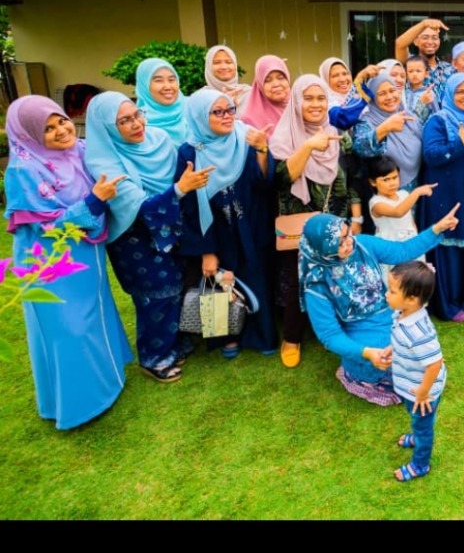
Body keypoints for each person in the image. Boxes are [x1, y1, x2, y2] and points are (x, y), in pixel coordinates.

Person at [3, 96, 133, 428]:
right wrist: (95, 200)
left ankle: (108, 381)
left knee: (94, 315)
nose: (61, 130)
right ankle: (80, 404)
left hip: (86, 254)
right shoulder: (22, 170)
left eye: (61, 120)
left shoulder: (80, 150)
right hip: (49, 262)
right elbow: (48, 226)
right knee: (68, 329)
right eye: (47, 129)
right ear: (30, 135)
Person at [84, 92, 212, 381]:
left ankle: (175, 343)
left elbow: (181, 168)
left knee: (176, 287)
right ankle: (154, 358)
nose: (136, 124)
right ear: (107, 127)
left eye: (137, 115)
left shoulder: (158, 139)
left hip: (170, 225)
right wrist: (179, 189)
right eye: (124, 121)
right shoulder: (104, 160)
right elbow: (137, 206)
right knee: (154, 296)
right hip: (134, 236)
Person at [298, 204, 461, 404]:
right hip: (360, 331)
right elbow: (330, 336)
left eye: (348, 233)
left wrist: (436, 229)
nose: (349, 243)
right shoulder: (316, 284)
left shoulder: (363, 244)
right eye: (340, 243)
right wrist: (367, 353)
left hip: (390, 314)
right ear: (323, 248)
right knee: (391, 357)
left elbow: (402, 251)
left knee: (416, 341)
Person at [177, 87, 278, 356]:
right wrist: (206, 251)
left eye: (229, 110)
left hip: (251, 223)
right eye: (217, 112)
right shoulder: (189, 153)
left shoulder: (246, 137)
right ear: (200, 116)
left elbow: (264, 182)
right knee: (220, 279)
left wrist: (262, 149)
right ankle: (226, 338)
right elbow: (189, 207)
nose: (226, 116)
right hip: (215, 229)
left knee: (256, 275)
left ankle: (263, 336)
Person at [271, 75, 359, 369]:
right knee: (298, 281)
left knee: (337, 276)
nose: (316, 104)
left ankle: (335, 329)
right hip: (300, 226)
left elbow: (352, 178)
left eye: (321, 98)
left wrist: (356, 217)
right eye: (308, 98)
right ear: (296, 102)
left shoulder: (339, 136)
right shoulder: (284, 136)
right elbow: (282, 178)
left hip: (336, 219)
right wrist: (308, 146)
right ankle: (292, 338)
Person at [421, 73, 464, 320]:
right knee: (445, 241)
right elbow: (431, 155)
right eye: (460, 91)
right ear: (449, 94)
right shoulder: (438, 121)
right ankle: (446, 303)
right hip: (443, 193)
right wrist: (460, 142)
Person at [384, 259, 447, 482]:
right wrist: (392, 349)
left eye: (392, 291)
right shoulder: (402, 313)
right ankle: (416, 434)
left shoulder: (418, 333)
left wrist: (422, 392)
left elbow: (435, 363)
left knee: (424, 427)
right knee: (418, 420)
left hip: (422, 393)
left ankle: (420, 465)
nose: (386, 294)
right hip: (412, 385)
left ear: (411, 299)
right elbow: (400, 338)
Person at [353, 73, 424, 198]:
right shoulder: (366, 121)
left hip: (419, 186)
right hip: (388, 196)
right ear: (373, 97)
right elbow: (359, 149)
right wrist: (385, 128)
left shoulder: (408, 116)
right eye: (382, 94)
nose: (389, 97)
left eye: (392, 91)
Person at [366, 155, 436, 241]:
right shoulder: (376, 203)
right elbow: (398, 212)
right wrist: (417, 192)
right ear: (373, 182)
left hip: (409, 242)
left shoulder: (404, 194)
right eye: (386, 180)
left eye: (395, 177)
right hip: (389, 245)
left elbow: (411, 222)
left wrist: (416, 239)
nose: (392, 183)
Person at [135, 58, 192, 145]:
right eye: (159, 81)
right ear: (144, 85)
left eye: (171, 80)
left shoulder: (194, 108)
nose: (168, 87)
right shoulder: (136, 122)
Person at [395, 17, 453, 95]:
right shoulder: (409, 63)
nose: (430, 42)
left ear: (439, 41)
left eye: (434, 38)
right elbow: (399, 45)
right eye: (425, 37)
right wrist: (424, 24)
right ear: (415, 41)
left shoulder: (449, 69)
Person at [239, 56, 291, 134]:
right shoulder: (249, 120)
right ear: (260, 85)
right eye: (268, 80)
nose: (276, 84)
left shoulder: (301, 109)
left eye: (280, 78)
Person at [320, 56, 366, 131]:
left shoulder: (357, 96)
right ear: (326, 80)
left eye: (345, 74)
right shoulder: (325, 104)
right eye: (335, 76)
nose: (342, 79)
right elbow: (344, 119)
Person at [204, 45, 248, 118]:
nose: (223, 67)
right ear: (209, 66)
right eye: (217, 62)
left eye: (229, 62)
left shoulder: (249, 93)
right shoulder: (201, 98)